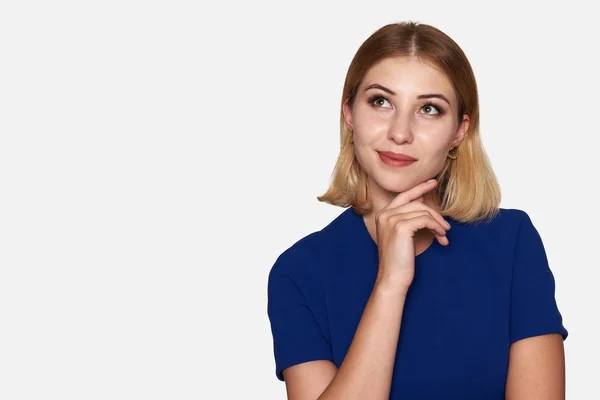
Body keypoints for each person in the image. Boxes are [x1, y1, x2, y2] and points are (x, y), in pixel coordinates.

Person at [266, 21, 568, 399]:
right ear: (349, 113)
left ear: (459, 130)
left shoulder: (511, 242)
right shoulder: (299, 273)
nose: (400, 132)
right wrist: (390, 283)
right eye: (380, 102)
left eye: (428, 108)